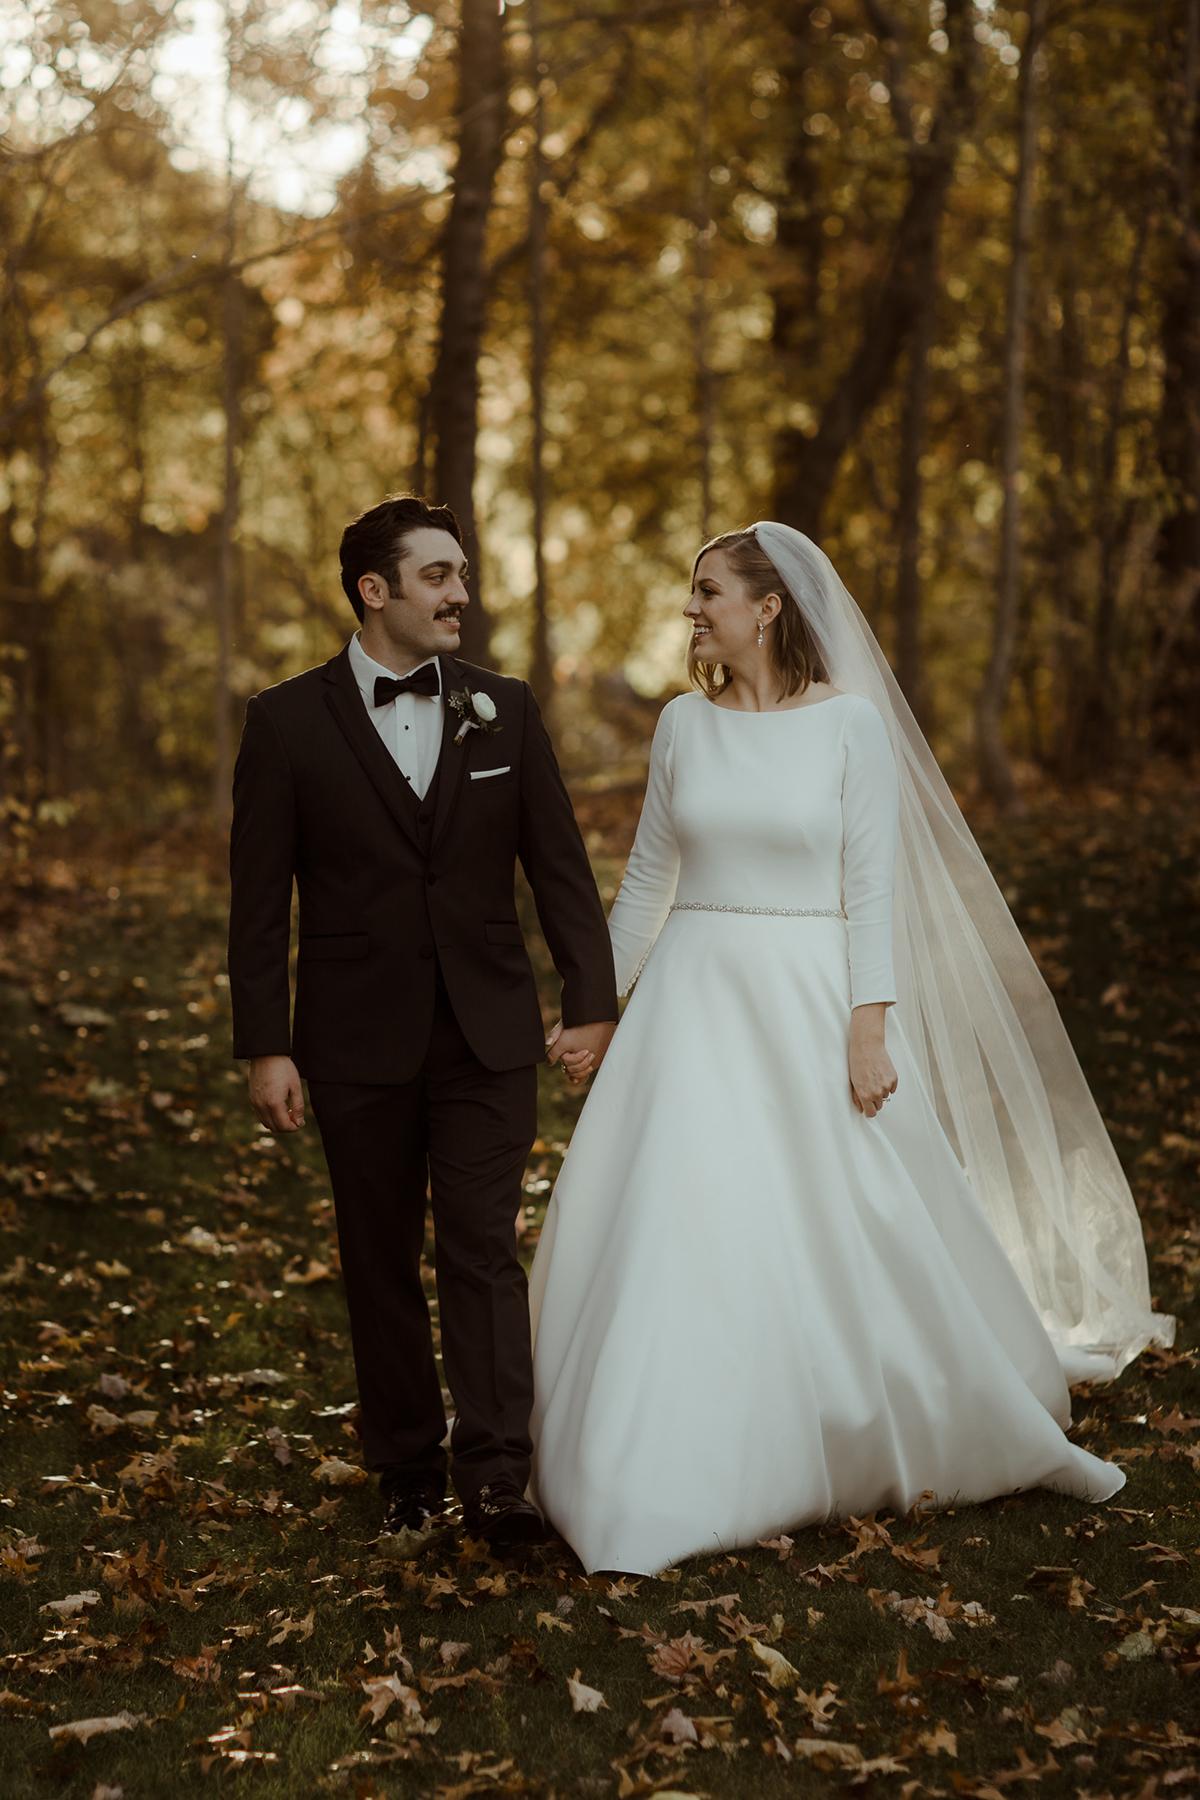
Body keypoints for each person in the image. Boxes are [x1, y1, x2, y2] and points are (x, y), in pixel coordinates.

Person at [529, 521, 1174, 1579]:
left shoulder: (849, 726)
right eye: (694, 591)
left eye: (709, 590)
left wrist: (867, 1026)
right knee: (679, 1210)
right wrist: (599, 1004)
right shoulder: (684, 724)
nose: (692, 608)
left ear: (768, 607)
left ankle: (868, 1414)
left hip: (810, 994)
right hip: (692, 1002)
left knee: (842, 1211)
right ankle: (651, 1456)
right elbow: (648, 878)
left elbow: (872, 885)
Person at [227, 494, 617, 1551]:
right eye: (438, 576)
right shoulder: (284, 723)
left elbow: (560, 869)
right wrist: (267, 1044)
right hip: (354, 1037)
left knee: (483, 1247)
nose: (460, 594)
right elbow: (259, 903)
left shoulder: (506, 708)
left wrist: (591, 1002)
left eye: (461, 574)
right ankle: (406, 1466)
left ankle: (497, 1478)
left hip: (488, 1029)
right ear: (375, 590)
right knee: (379, 1253)